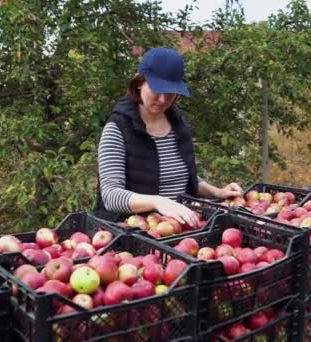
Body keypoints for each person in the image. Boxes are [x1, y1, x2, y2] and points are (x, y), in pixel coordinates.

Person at [94, 47, 243, 227]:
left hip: (178, 231)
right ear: (140, 82)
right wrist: (159, 202)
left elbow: (185, 178)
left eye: (171, 92)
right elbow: (111, 196)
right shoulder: (118, 129)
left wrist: (217, 192)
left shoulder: (179, 125)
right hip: (135, 233)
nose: (163, 99)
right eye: (157, 89)